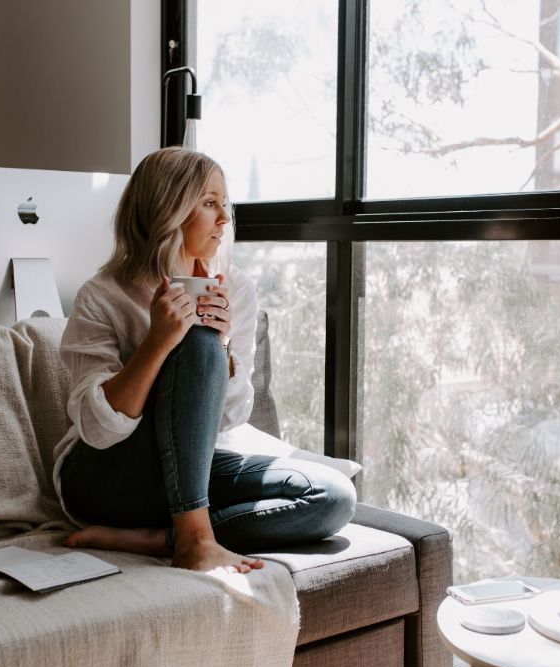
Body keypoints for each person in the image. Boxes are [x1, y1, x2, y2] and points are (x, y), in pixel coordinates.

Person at [51, 147, 356, 574]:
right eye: (209, 203)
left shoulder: (236, 289)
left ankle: (164, 538)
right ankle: (194, 540)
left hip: (185, 473)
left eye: (224, 204)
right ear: (168, 210)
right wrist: (158, 342)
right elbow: (97, 431)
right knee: (196, 341)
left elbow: (230, 418)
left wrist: (224, 345)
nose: (225, 219)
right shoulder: (103, 295)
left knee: (332, 497)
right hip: (105, 480)